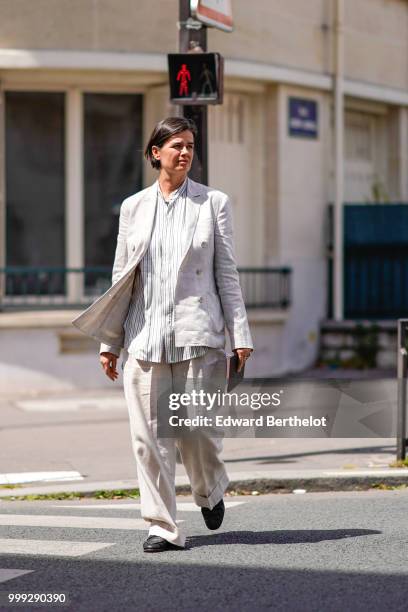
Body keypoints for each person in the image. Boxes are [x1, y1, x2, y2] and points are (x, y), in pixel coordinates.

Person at [72, 116, 253, 552]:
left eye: (190, 145)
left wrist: (239, 333)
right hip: (144, 338)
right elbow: (122, 278)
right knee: (149, 441)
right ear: (156, 153)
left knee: (198, 435)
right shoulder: (133, 207)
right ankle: (163, 526)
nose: (186, 152)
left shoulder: (213, 203)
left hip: (199, 335)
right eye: (176, 146)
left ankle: (210, 488)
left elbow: (226, 273)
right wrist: (109, 341)